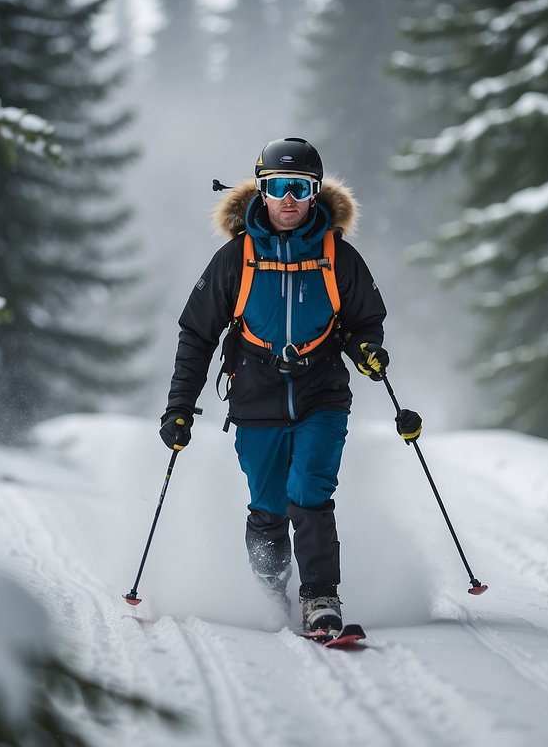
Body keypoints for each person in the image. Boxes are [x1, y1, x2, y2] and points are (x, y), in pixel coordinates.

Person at [159, 136, 423, 635]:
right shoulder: (235, 258)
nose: (287, 199)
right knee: (268, 504)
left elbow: (365, 321)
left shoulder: (338, 258)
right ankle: (269, 592)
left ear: (314, 193)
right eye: (277, 186)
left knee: (310, 491)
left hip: (321, 391)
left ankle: (320, 597)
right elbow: (197, 332)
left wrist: (368, 352)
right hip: (255, 394)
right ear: (260, 190)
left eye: (298, 188)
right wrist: (180, 407)